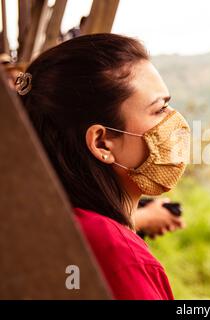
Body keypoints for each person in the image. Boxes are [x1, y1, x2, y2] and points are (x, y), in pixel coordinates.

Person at [15, 33, 190, 299]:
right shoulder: (117, 255)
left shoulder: (59, 223)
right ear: (102, 143)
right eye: (159, 109)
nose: (175, 122)